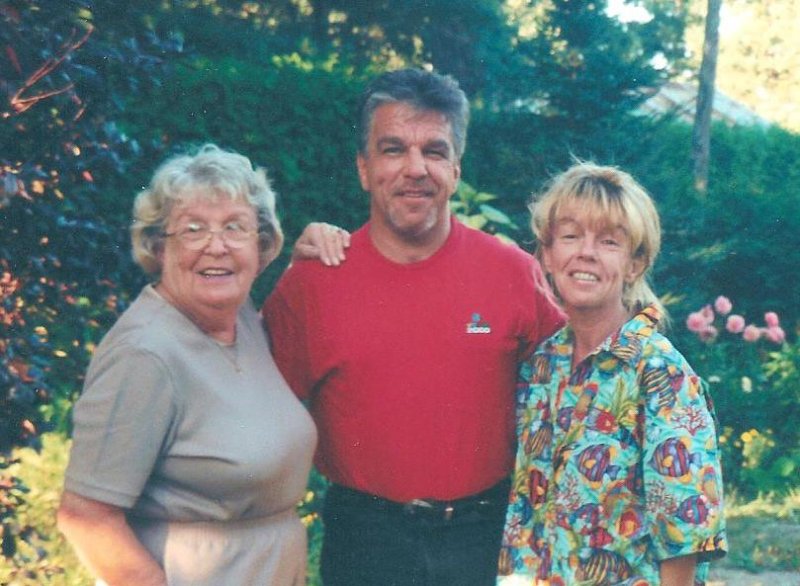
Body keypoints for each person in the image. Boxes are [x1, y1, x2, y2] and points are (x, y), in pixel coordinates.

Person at [262, 68, 565, 586]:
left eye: (435, 151)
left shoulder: (512, 273)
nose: (415, 168)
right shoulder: (314, 283)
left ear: (456, 169)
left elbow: (578, 391)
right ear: (364, 169)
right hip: (364, 543)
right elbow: (257, 415)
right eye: (393, 149)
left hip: (483, 540)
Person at [57, 144, 317, 586]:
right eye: (193, 229)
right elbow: (86, 517)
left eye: (235, 227)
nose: (217, 246)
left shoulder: (239, 320)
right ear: (159, 246)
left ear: (261, 245)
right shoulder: (143, 354)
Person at [497, 163, 727, 586]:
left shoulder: (660, 373)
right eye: (570, 236)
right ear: (547, 254)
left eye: (608, 241)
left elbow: (685, 531)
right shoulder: (541, 366)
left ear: (635, 264)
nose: (586, 252)